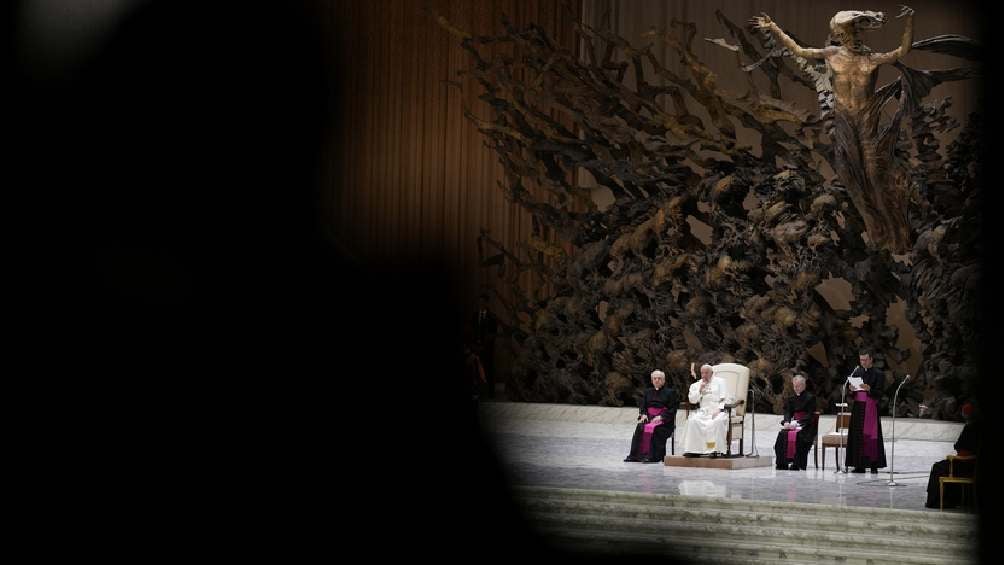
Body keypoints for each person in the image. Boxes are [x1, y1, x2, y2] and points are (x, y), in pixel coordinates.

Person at [925, 402, 979, 508]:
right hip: (975, 464)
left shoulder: (970, 428)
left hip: (966, 464)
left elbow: (960, 446)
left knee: (938, 467)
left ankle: (937, 501)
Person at [625, 370, 679, 463]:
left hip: (664, 422)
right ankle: (636, 456)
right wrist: (643, 414)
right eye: (655, 378)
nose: (657, 380)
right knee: (640, 427)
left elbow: (673, 409)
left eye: (659, 378)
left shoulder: (670, 393)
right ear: (652, 380)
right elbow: (643, 407)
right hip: (649, 419)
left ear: (663, 380)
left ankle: (653, 457)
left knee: (656, 429)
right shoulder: (647, 392)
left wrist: (661, 417)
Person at [845, 352, 887, 473]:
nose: (862, 362)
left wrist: (870, 389)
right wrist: (851, 390)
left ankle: (873, 465)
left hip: (870, 408)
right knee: (857, 435)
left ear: (871, 360)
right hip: (858, 408)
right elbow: (853, 394)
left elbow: (880, 393)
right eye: (861, 360)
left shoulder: (879, 374)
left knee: (871, 436)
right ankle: (859, 465)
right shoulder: (857, 373)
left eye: (865, 360)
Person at [681, 364, 731, 456]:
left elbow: (726, 398)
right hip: (703, 411)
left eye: (706, 373)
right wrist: (700, 390)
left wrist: (719, 409)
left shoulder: (720, 382)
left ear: (712, 373)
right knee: (693, 421)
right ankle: (694, 450)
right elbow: (692, 400)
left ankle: (712, 449)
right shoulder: (696, 385)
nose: (704, 375)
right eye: (702, 373)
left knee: (716, 422)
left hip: (718, 411)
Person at [773, 375, 817, 470]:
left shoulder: (810, 398)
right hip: (793, 425)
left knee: (799, 437)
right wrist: (787, 421)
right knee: (782, 435)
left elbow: (810, 415)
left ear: (803, 386)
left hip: (806, 426)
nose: (796, 388)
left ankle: (797, 464)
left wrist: (798, 423)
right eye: (794, 386)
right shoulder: (791, 399)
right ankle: (782, 463)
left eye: (798, 386)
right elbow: (788, 411)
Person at [472, 293, 498, 398]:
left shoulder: (492, 317)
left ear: (487, 303)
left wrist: (485, 344)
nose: (481, 304)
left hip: (487, 347)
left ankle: (491, 392)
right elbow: (471, 331)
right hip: (475, 346)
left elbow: (493, 333)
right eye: (479, 301)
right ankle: (478, 391)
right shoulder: (474, 315)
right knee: (476, 369)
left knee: (488, 368)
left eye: (483, 302)